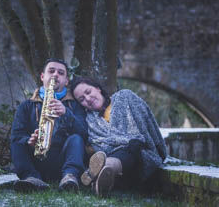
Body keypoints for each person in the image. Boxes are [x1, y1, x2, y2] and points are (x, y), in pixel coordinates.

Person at [71, 77, 167, 197]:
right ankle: (103, 175)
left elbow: (143, 127)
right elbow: (98, 143)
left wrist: (127, 141)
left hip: (140, 153)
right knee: (121, 151)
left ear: (97, 88)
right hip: (116, 158)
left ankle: (102, 170)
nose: (88, 99)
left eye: (88, 92)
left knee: (132, 146)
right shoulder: (90, 121)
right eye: (82, 99)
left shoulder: (125, 97)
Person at [10, 58, 87, 192]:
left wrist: (66, 113)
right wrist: (29, 141)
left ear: (66, 81)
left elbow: (84, 134)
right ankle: (31, 178)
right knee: (16, 142)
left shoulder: (75, 105)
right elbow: (17, 136)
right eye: (51, 71)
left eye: (61, 73)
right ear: (42, 76)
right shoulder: (26, 106)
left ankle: (70, 177)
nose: (55, 74)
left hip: (64, 161)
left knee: (76, 138)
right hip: (35, 160)